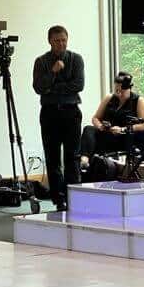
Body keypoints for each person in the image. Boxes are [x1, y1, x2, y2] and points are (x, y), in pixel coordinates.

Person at [33, 25, 85, 211]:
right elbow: (39, 88)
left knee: (72, 156)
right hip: (50, 113)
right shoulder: (41, 62)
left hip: (71, 112)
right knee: (53, 157)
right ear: (50, 41)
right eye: (57, 41)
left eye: (64, 40)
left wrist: (53, 88)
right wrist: (53, 72)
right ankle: (59, 199)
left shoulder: (76, 59)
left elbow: (78, 85)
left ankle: (74, 196)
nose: (61, 43)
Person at [79, 72, 144, 168]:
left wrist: (122, 129)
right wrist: (100, 126)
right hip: (108, 133)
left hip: (123, 137)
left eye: (122, 90)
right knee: (88, 129)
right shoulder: (109, 98)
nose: (119, 93)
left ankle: (92, 162)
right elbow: (95, 118)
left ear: (129, 89)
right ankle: (84, 160)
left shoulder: (138, 101)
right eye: (116, 90)